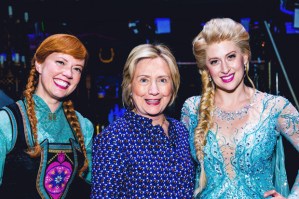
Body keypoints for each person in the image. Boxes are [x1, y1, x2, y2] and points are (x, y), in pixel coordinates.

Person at [181, 17, 299, 199]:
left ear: (244, 57)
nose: (225, 68)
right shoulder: (192, 109)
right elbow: (179, 169)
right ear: (207, 69)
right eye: (214, 61)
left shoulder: (274, 107)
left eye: (231, 56)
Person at [91, 43, 195, 198]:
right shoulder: (114, 138)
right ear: (130, 86)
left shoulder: (181, 131)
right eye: (144, 80)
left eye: (162, 80)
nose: (154, 90)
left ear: (173, 86)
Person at [0, 34, 94, 198]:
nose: (68, 73)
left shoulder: (83, 126)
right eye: (61, 62)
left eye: (77, 68)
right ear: (39, 64)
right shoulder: (7, 121)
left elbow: (100, 184)